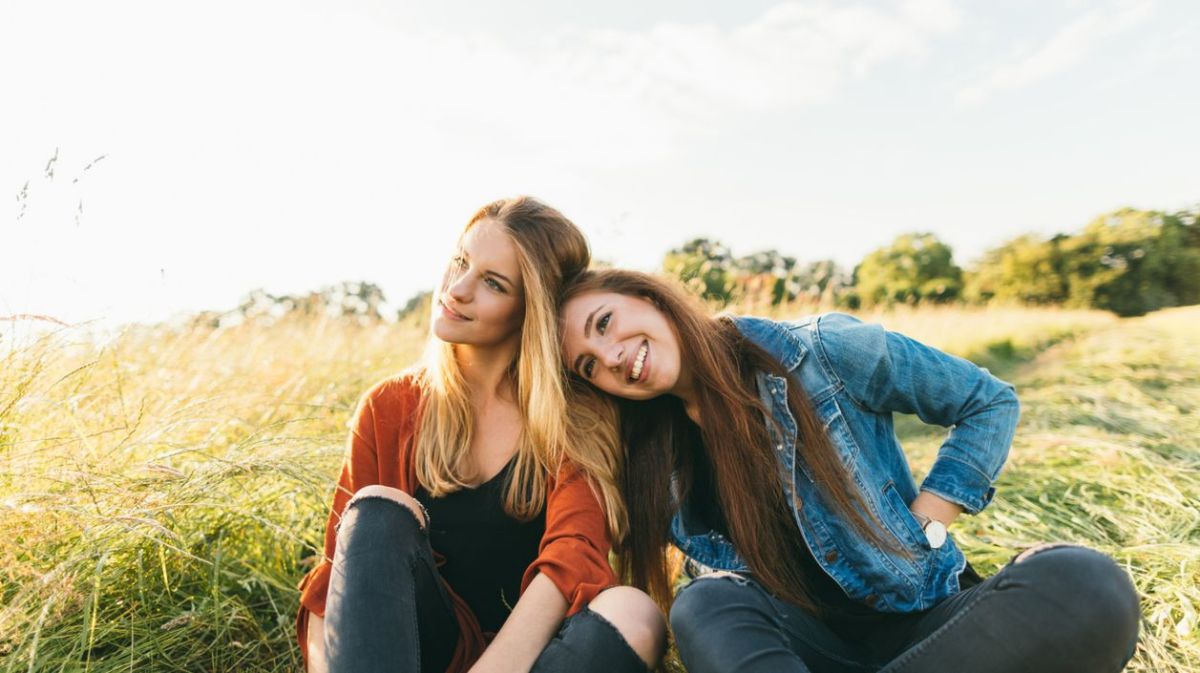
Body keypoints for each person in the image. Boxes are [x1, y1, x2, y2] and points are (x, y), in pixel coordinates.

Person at [557, 268, 1141, 673]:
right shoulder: (649, 458)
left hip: (929, 619)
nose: (610, 357)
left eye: (604, 323)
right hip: (798, 656)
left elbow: (987, 401)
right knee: (703, 605)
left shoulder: (822, 351)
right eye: (589, 366)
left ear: (650, 296)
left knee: (1085, 585)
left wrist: (931, 519)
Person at [295, 199, 666, 673]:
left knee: (635, 613)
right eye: (461, 261)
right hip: (410, 653)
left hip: (531, 659)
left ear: (530, 313)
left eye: (493, 283)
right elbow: (337, 583)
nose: (458, 288)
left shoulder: (577, 417)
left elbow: (573, 557)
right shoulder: (389, 406)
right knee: (376, 512)